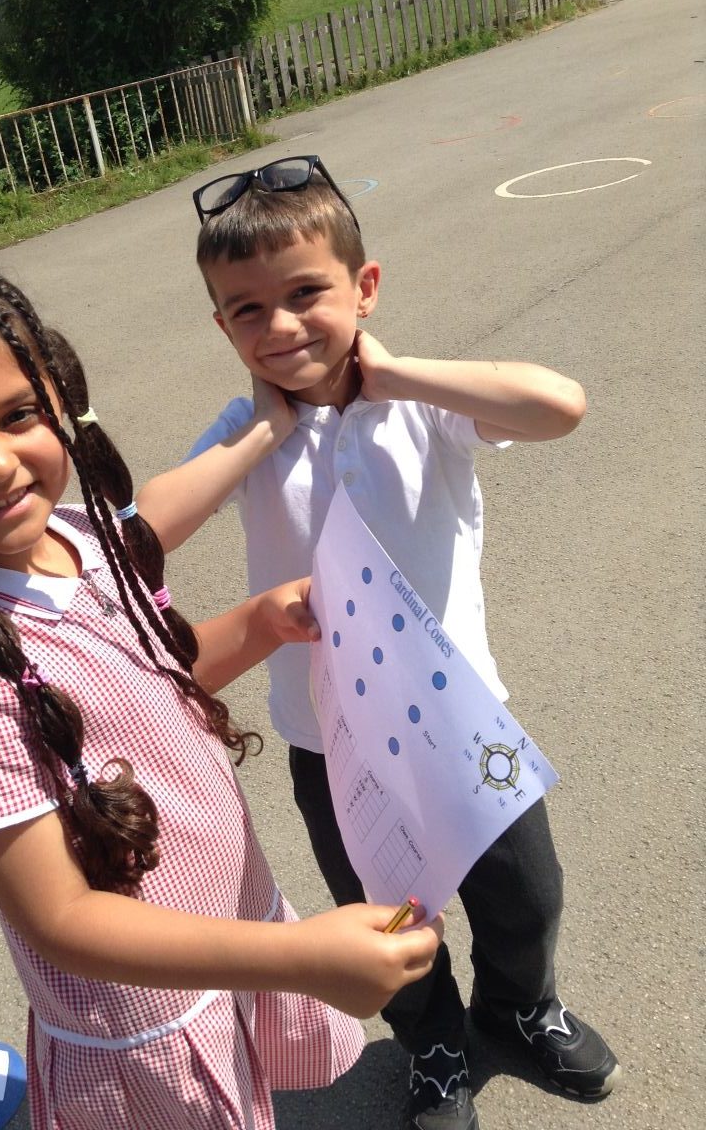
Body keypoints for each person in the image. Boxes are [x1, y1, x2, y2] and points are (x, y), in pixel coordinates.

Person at [0, 263, 444, 1130]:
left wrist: (262, 622)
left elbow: (148, 684)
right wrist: (296, 956)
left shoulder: (81, 538)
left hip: (222, 929)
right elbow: (62, 919)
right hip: (146, 1023)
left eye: (18, 415)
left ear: (62, 401)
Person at [136, 156, 622, 1130]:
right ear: (222, 326)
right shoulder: (244, 433)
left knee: (526, 894)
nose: (279, 326)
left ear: (363, 287)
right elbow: (138, 534)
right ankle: (433, 1043)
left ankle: (519, 1009)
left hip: (461, 720)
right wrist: (259, 435)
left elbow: (558, 404)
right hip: (331, 744)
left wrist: (391, 372)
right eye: (246, 309)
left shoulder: (423, 407)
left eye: (304, 294)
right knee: (391, 918)